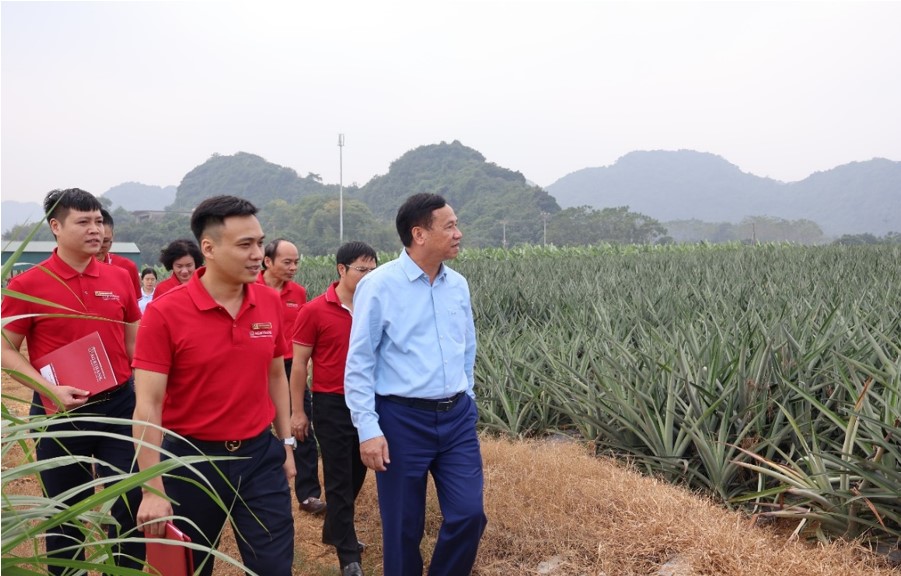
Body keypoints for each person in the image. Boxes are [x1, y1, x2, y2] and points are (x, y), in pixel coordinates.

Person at [132, 195, 296, 576]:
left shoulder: (269, 302)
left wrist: (286, 442)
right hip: (191, 461)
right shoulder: (164, 313)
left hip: (258, 457)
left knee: (274, 566)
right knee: (189, 567)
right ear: (208, 248)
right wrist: (152, 488)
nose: (258, 254)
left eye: (260, 242)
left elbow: (276, 375)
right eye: (245, 245)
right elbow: (148, 405)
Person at [0, 188, 144, 574]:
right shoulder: (28, 284)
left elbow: (135, 343)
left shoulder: (120, 277)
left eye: (98, 220)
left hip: (119, 408)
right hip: (59, 415)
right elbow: (5, 349)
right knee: (65, 516)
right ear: (56, 226)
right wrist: (50, 390)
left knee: (130, 504)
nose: (95, 229)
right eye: (83, 221)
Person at [344, 193, 488, 576]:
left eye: (456, 225)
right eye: (450, 226)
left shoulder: (457, 285)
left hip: (456, 418)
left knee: (469, 514)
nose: (458, 233)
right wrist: (368, 429)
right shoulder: (379, 286)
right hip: (401, 420)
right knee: (403, 528)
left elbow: (466, 347)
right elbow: (359, 362)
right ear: (419, 234)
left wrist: (467, 395)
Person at [290, 241, 378, 576]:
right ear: (341, 269)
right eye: (361, 270)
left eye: (372, 270)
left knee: (357, 472)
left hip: (368, 403)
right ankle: (348, 555)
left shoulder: (375, 306)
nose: (368, 276)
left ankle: (334, 530)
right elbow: (299, 365)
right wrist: (298, 411)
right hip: (331, 404)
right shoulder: (314, 310)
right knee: (339, 479)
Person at [256, 238, 326, 515]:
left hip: (288, 367)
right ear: (267, 261)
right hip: (256, 366)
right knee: (258, 426)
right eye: (287, 262)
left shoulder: (298, 293)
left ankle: (308, 494)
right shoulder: (249, 289)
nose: (293, 267)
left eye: (296, 262)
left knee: (301, 424)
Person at [98, 208, 142, 299]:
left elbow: (133, 305)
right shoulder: (74, 268)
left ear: (112, 237)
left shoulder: (127, 268)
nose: (98, 247)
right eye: (92, 241)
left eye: (105, 241)